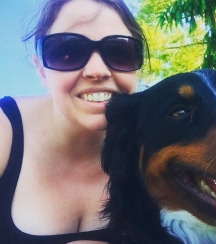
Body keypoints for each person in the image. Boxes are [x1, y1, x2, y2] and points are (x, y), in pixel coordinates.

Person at [0, 0, 148, 243]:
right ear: (41, 71)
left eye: (120, 52)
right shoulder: (5, 130)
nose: (97, 70)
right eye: (67, 52)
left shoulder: (157, 144)